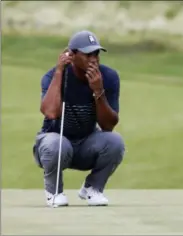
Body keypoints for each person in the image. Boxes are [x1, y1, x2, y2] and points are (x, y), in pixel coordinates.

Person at [33, 30, 126, 207]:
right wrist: (60, 72)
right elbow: (50, 112)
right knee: (57, 144)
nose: (94, 59)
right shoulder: (52, 76)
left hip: (86, 145)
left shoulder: (108, 77)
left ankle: (93, 188)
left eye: (96, 53)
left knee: (115, 142)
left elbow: (108, 125)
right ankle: (54, 192)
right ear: (71, 55)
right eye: (87, 54)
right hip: (53, 145)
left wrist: (98, 92)